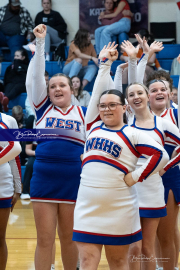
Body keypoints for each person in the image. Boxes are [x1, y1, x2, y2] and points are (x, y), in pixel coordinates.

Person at [72, 43, 169, 270]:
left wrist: (135, 177)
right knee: (87, 262)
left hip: (119, 207)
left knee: (118, 262)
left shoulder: (132, 133)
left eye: (113, 105)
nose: (106, 109)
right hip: (87, 206)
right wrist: (105, 64)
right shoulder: (92, 126)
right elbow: (98, 92)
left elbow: (161, 155)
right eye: (103, 106)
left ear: (124, 108)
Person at [26, 24, 87, 270]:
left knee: (69, 239)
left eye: (62, 85)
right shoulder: (42, 109)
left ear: (72, 90)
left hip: (73, 179)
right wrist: (40, 43)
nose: (57, 89)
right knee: (44, 239)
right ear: (47, 92)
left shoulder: (84, 113)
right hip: (44, 179)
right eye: (52, 87)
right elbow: (35, 76)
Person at [126, 38, 180, 270]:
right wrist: (143, 57)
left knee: (167, 234)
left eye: (163, 90)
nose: (158, 93)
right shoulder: (134, 115)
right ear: (148, 95)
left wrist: (164, 167)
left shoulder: (175, 116)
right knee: (144, 238)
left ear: (170, 94)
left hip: (167, 177)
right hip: (138, 180)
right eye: (154, 90)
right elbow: (134, 85)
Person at [0, 112, 22, 270]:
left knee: (0, 238)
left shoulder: (9, 120)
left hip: (3, 184)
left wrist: (18, 188)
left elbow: (15, 155)